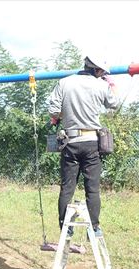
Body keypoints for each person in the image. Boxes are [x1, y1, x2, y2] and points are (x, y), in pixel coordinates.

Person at [47, 54, 119, 237]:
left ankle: (65, 228)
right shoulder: (101, 85)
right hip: (91, 142)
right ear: (98, 70)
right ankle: (93, 228)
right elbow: (114, 103)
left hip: (70, 142)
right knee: (92, 188)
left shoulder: (64, 83)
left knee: (67, 188)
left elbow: (53, 111)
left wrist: (67, 114)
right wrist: (111, 84)